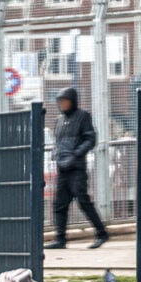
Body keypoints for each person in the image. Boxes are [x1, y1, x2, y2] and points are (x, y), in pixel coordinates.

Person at [45, 87, 109, 250]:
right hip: (63, 168)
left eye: (66, 101)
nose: (63, 105)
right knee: (59, 204)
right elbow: (58, 142)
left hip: (77, 168)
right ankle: (60, 238)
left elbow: (90, 138)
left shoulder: (82, 117)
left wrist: (76, 154)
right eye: (60, 102)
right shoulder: (59, 120)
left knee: (83, 200)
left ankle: (101, 233)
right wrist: (57, 155)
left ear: (73, 101)